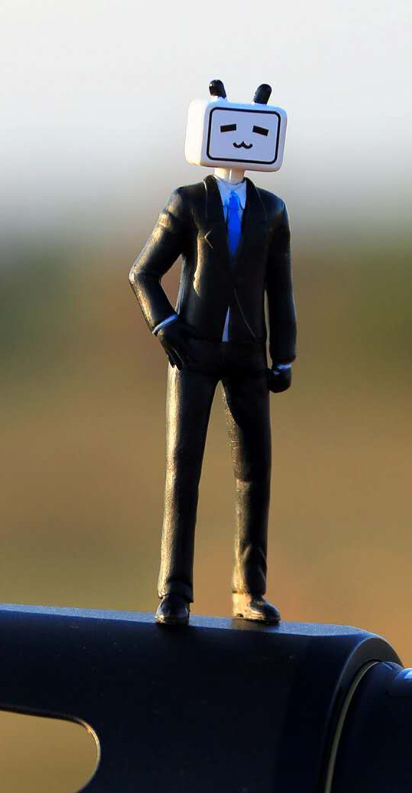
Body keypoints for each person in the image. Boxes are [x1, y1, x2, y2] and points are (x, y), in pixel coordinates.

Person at [129, 80, 296, 626]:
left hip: (249, 354)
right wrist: (165, 325)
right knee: (184, 469)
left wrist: (284, 354)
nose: (242, 142)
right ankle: (174, 592)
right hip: (193, 351)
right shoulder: (188, 202)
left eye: (255, 131)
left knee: (255, 471)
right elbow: (143, 272)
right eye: (229, 128)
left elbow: (280, 290)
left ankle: (249, 589)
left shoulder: (272, 211)